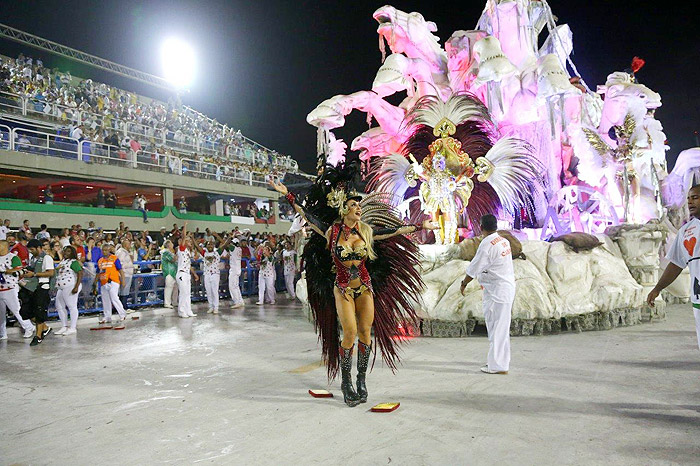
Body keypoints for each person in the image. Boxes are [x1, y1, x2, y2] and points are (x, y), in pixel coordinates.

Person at [270, 160, 436, 407]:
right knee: (349, 332)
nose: (358, 207)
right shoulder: (331, 231)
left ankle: (361, 380)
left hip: (365, 287)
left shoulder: (366, 231)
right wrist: (289, 195)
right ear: (344, 209)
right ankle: (346, 381)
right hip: (343, 288)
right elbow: (307, 215)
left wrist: (421, 225)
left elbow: (393, 231)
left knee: (366, 334)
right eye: (353, 205)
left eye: (359, 205)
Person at [460, 214, 515, 375]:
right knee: (500, 328)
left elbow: (474, 267)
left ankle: (498, 366)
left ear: (481, 227)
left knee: (497, 329)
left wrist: (464, 283)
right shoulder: (503, 240)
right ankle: (499, 363)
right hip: (501, 289)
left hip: (498, 292)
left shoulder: (487, 245)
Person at [647, 184, 700, 350]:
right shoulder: (687, 231)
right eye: (689, 198)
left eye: (696, 197)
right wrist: (658, 288)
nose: (690, 202)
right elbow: (676, 263)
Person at [0, 240, 35, 340]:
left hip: (10, 287)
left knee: (16, 309)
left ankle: (28, 327)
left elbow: (19, 270)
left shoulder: (13, 257)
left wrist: (6, 271)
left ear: (4, 247)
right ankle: (2, 333)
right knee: (1, 313)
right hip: (0, 288)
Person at [24, 239, 55, 346]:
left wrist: (34, 274)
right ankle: (45, 328)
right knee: (26, 311)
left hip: (42, 287)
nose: (31, 252)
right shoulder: (32, 259)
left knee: (39, 311)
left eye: (32, 249)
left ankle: (38, 336)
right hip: (32, 287)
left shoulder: (47, 258)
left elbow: (51, 272)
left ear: (38, 248)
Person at [54, 245, 83, 336]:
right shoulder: (62, 262)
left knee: (72, 306)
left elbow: (80, 273)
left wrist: (76, 287)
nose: (66, 253)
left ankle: (73, 327)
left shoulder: (74, 262)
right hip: (61, 286)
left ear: (72, 253)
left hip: (70, 285)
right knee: (59, 306)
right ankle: (64, 326)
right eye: (65, 251)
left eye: (68, 251)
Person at [200, 236, 231, 314]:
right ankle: (211, 306)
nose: (210, 246)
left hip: (215, 274)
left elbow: (225, 244)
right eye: (208, 244)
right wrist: (193, 239)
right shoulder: (204, 253)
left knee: (214, 291)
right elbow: (197, 247)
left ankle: (216, 307)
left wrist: (230, 237)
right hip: (207, 274)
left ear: (214, 246)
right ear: (206, 246)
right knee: (208, 291)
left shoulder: (217, 252)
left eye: (211, 244)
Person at [97, 244, 127, 325]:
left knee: (114, 298)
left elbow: (120, 270)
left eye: (106, 250)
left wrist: (123, 281)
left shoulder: (114, 258)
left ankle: (122, 314)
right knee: (105, 300)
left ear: (109, 250)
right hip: (103, 282)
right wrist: (94, 283)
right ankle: (107, 317)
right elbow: (98, 272)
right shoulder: (100, 260)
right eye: (103, 250)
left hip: (113, 281)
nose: (104, 252)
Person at [176, 222, 199, 318]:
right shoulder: (181, 249)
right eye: (188, 240)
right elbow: (184, 236)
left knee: (187, 293)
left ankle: (188, 310)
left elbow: (189, 265)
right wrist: (185, 226)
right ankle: (181, 311)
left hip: (187, 274)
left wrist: (194, 274)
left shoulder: (189, 252)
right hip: (181, 274)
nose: (189, 241)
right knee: (183, 293)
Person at [115, 239, 135, 311]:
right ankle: (123, 307)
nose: (130, 246)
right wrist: (130, 264)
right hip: (124, 274)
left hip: (127, 274)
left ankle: (123, 306)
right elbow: (120, 264)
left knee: (125, 290)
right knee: (123, 291)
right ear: (126, 245)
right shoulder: (121, 252)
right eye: (129, 244)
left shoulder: (125, 252)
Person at [227, 238, 245, 309]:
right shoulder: (239, 249)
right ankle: (240, 301)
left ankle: (237, 302)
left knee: (232, 286)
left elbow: (226, 244)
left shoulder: (234, 248)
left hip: (234, 270)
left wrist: (217, 235)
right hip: (237, 269)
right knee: (236, 286)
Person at [161, 240, 178, 309]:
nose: (173, 244)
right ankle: (167, 303)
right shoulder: (165, 252)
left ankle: (174, 302)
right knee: (169, 287)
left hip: (174, 272)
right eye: (171, 243)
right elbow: (173, 260)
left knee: (175, 288)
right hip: (169, 272)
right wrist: (177, 254)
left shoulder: (170, 252)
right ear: (168, 245)